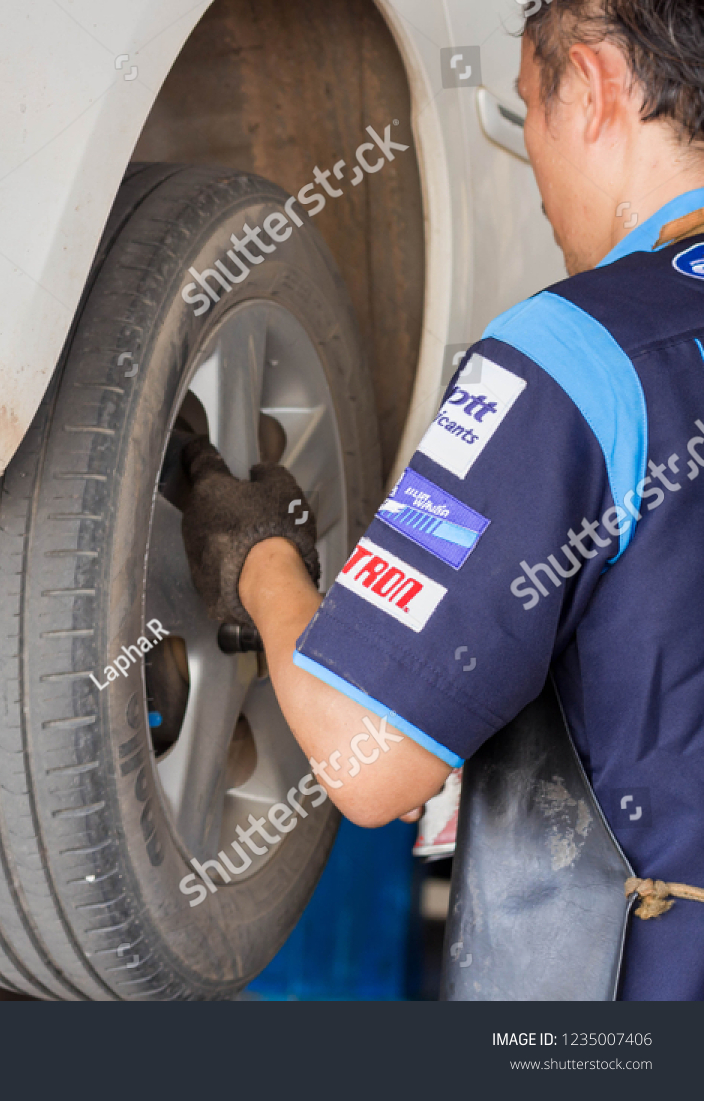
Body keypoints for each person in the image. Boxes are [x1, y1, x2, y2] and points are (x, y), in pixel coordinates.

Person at [181, 0, 704, 1000]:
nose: (535, 172)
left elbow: (367, 758)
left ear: (589, 87)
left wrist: (259, 560)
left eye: (526, 113)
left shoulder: (573, 355)